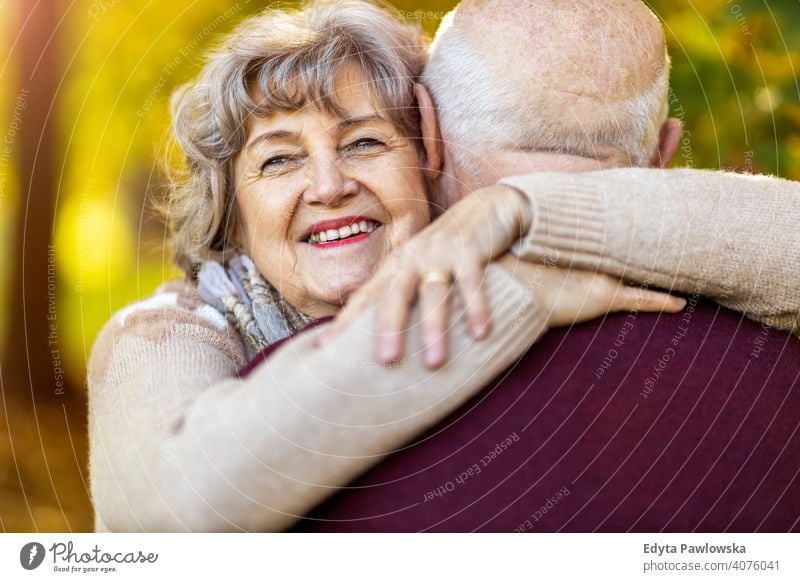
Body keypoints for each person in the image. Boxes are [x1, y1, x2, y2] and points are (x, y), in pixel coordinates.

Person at [87, 0, 678, 532]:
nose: (328, 185)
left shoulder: (533, 274)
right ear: (231, 211)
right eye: (278, 161)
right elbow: (167, 513)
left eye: (364, 143)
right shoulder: (160, 331)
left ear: (430, 158)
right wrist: (512, 297)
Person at [290, 0, 800, 531]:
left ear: (425, 130)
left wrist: (522, 208)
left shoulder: (307, 399)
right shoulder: (777, 375)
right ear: (664, 153)